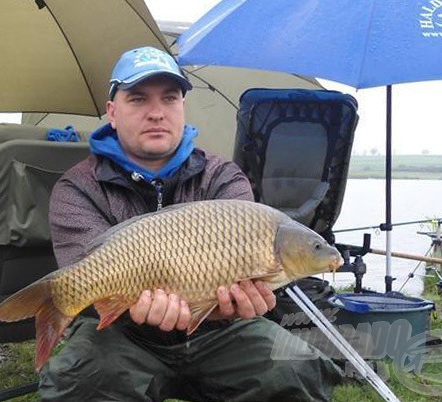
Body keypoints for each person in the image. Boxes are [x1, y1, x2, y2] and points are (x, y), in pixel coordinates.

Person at [42, 46, 343, 401]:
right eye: (138, 100)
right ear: (112, 112)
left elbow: (241, 285)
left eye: (169, 99)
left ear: (182, 107)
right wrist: (123, 305)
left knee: (294, 369)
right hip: (121, 335)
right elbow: (87, 283)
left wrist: (236, 305)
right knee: (82, 382)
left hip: (218, 331)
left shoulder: (223, 177)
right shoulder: (78, 186)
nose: (156, 113)